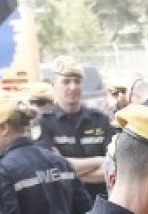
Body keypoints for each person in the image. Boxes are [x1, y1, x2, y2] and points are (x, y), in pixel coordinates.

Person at [34, 56, 114, 200]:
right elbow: (48, 170)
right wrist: (100, 160)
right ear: (53, 85)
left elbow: (113, 168)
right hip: (63, 205)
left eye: (77, 81)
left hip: (97, 203)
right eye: (66, 81)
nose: (73, 87)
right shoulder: (44, 122)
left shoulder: (101, 120)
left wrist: (65, 168)